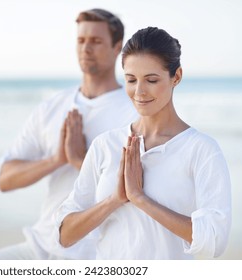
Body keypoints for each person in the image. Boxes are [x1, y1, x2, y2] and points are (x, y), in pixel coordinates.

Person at [56, 27, 232, 259]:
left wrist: (141, 199)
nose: (139, 91)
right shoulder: (105, 146)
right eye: (131, 80)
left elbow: (214, 242)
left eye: (151, 80)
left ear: (176, 77)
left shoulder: (201, 150)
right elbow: (65, 235)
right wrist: (114, 200)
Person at [0, 8, 138, 260]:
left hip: (95, 255)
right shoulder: (52, 107)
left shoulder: (133, 111)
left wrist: (80, 160)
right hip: (40, 245)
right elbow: (5, 179)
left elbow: (133, 190)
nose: (86, 48)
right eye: (81, 40)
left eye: (96, 41)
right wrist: (56, 159)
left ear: (117, 47)